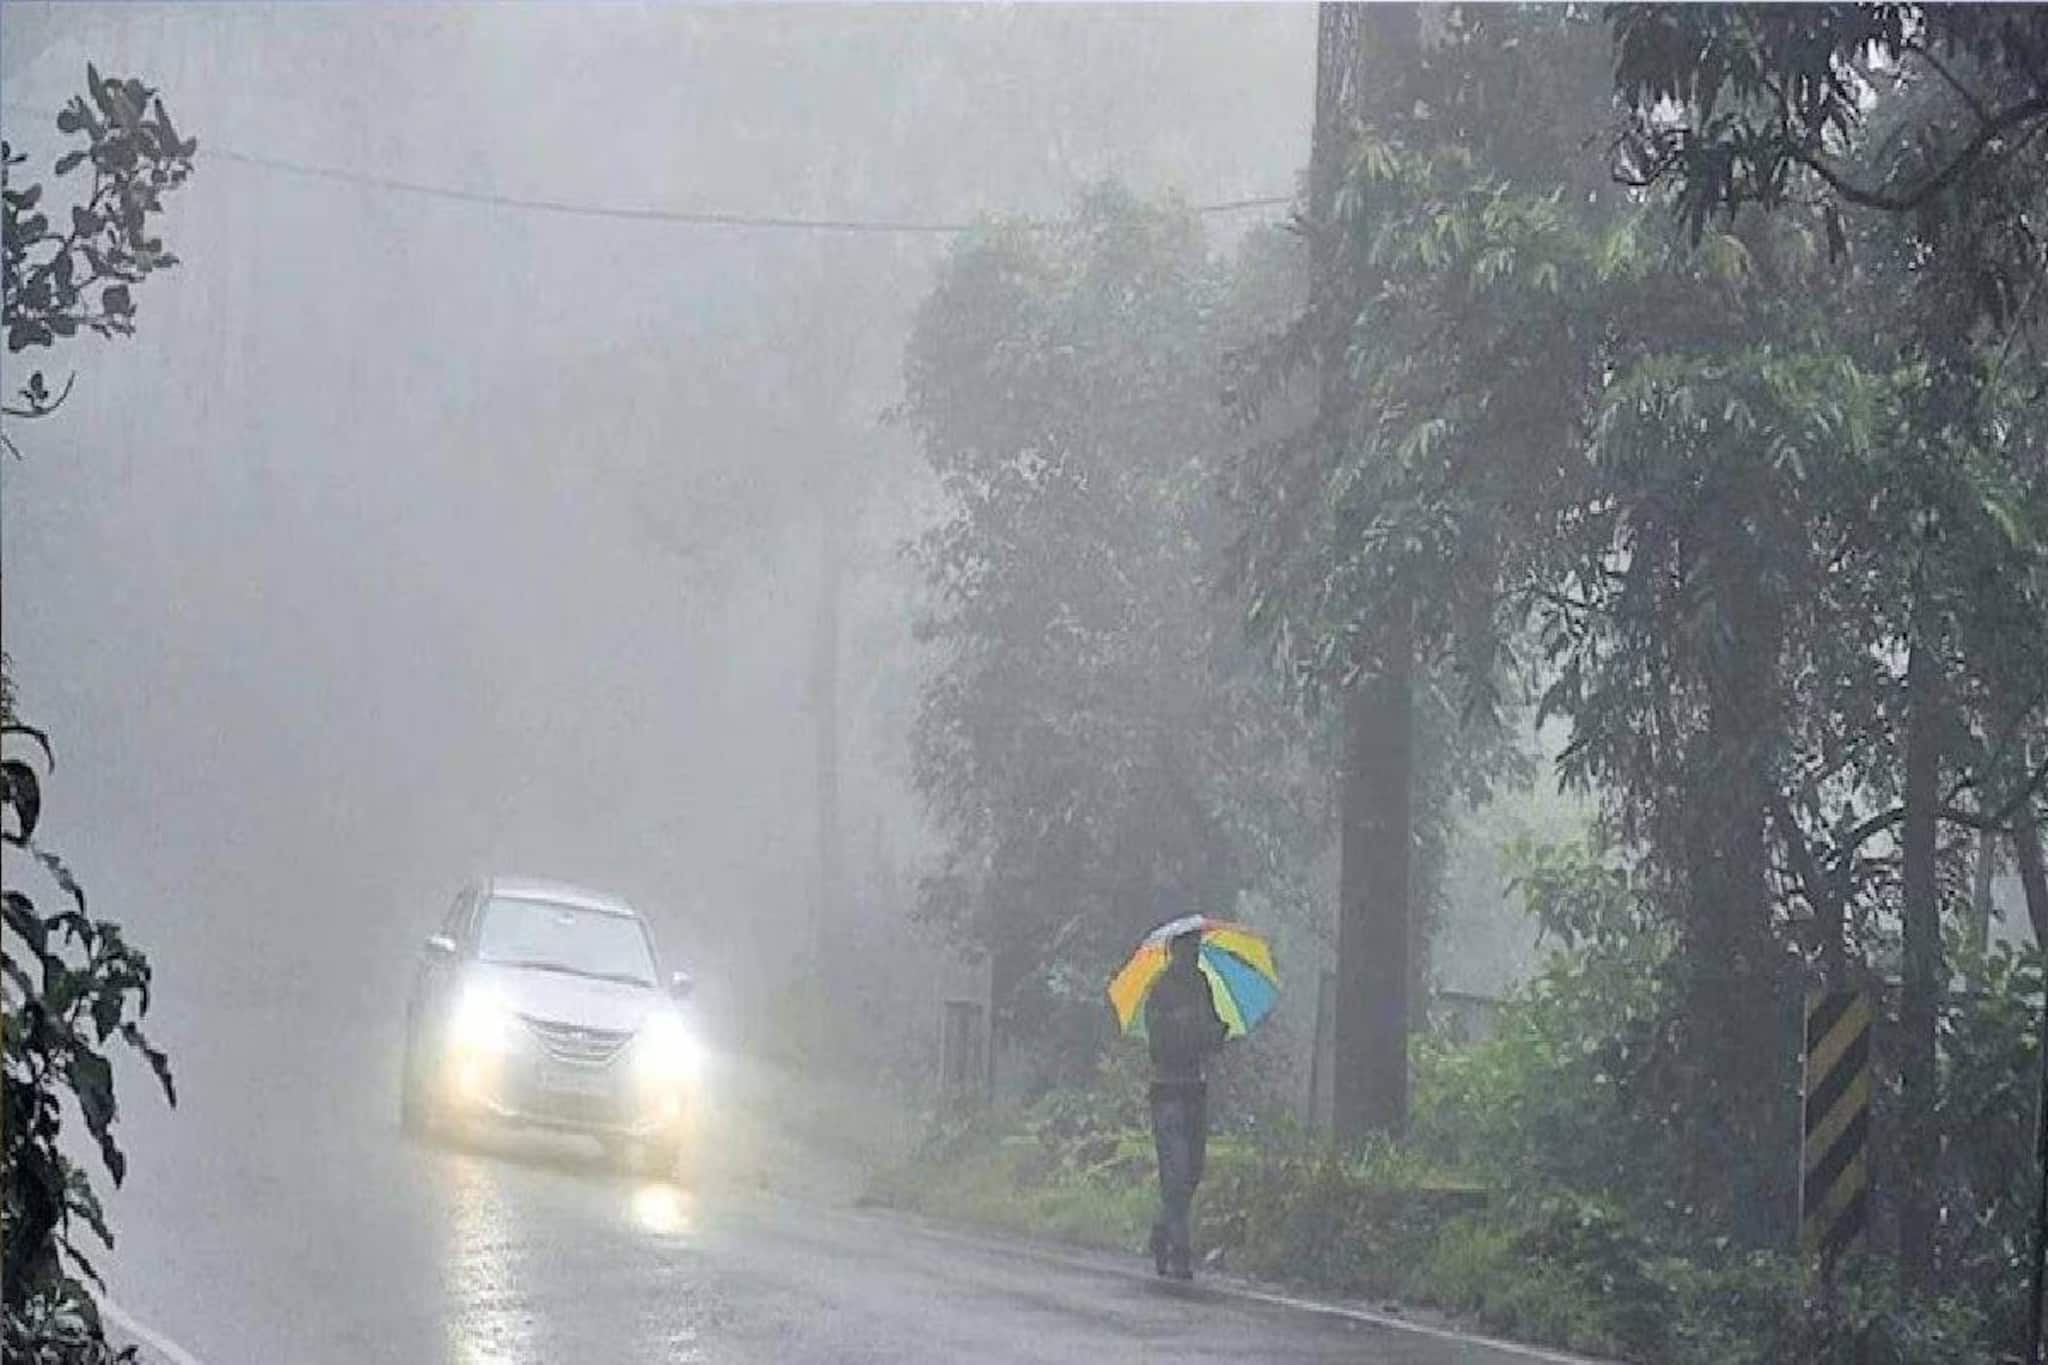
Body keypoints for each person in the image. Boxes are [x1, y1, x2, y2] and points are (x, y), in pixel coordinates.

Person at [1144, 927, 1228, 1280]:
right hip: (1167, 1089)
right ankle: (1181, 1249)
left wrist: (1215, 1033)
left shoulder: (1202, 985)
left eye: (1196, 948)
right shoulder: (1160, 990)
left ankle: (1162, 1230)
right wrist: (1182, 1029)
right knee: (1175, 1172)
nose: (1192, 955)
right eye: (1187, 948)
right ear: (1173, 951)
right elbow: (1158, 1041)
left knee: (1193, 1170)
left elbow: (1209, 1030)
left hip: (1194, 1087)